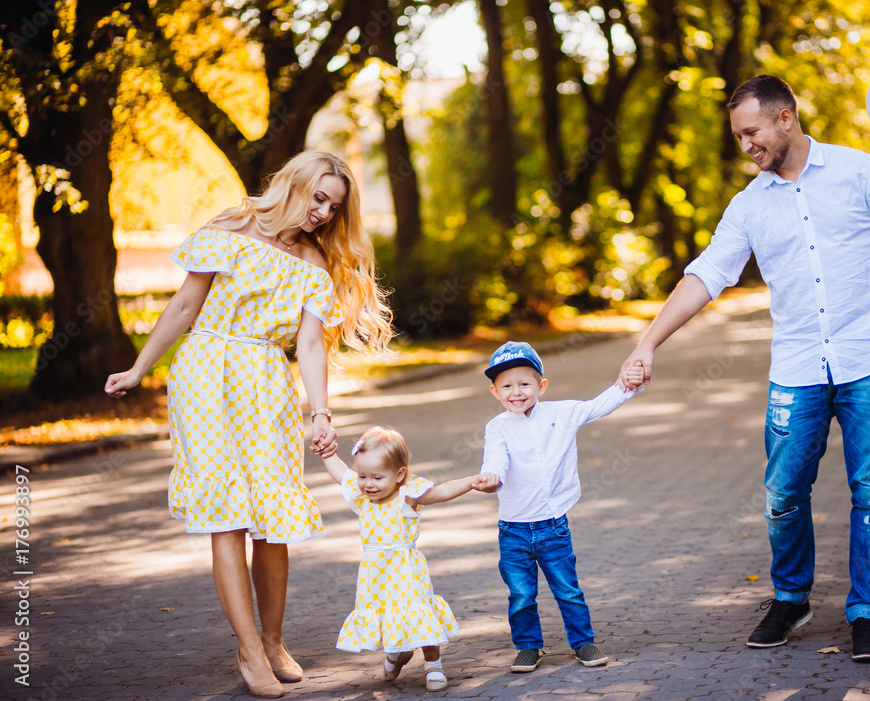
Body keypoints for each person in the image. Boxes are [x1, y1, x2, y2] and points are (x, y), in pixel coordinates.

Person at [618, 75, 870, 662]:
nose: (745, 145)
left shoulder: (859, 171)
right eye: (738, 135)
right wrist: (648, 344)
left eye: (752, 132)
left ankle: (867, 613)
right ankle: (792, 597)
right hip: (796, 368)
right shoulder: (748, 206)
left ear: (786, 119)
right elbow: (706, 275)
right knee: (782, 493)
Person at [105, 150, 393, 697]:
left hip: (265, 382)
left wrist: (321, 413)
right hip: (204, 378)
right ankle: (249, 650)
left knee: (273, 515)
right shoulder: (228, 226)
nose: (323, 213)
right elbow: (185, 307)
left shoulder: (312, 262)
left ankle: (274, 639)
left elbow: (309, 343)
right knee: (227, 514)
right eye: (318, 197)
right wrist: (139, 368)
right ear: (294, 183)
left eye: (333, 206)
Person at [477, 341, 645, 673]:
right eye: (507, 386)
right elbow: (495, 459)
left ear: (541, 386)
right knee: (521, 595)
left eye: (524, 383)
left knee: (567, 589)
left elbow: (599, 404)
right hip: (513, 529)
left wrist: (629, 383)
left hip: (552, 525)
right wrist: (491, 476)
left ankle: (583, 642)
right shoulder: (497, 427)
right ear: (495, 392)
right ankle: (528, 646)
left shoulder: (562, 413)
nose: (516, 392)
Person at [320, 425, 500, 691]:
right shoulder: (362, 496)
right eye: (363, 476)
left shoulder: (408, 494)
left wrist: (472, 480)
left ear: (399, 474)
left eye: (377, 477)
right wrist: (326, 453)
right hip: (374, 573)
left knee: (419, 613)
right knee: (386, 614)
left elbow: (441, 492)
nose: (368, 483)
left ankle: (433, 665)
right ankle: (397, 652)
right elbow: (341, 474)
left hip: (405, 570)